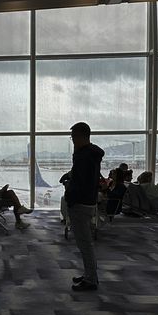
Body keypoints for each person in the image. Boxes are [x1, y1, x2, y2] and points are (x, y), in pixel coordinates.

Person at [66, 122, 104, 292]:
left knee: (84, 243)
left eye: (73, 136)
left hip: (80, 203)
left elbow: (80, 182)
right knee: (85, 243)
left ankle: (91, 279)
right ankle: (90, 274)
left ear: (81, 136)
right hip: (89, 201)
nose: (72, 140)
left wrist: (70, 191)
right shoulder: (93, 155)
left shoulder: (83, 157)